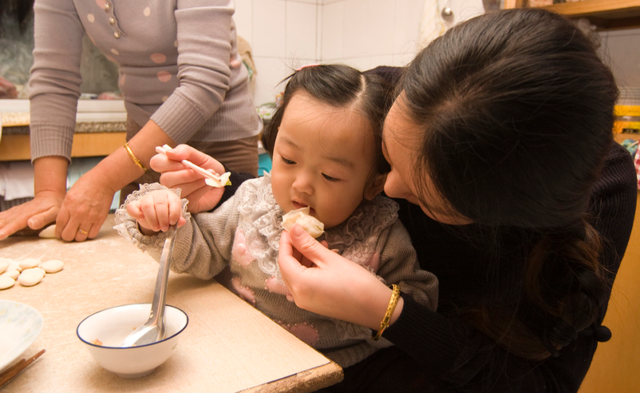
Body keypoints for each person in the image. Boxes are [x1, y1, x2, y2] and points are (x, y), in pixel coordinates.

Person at [149, 9, 638, 392]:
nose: (387, 188)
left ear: (504, 215)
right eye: (386, 154)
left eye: (426, 195)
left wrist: (392, 313)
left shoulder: (595, 195)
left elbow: (542, 384)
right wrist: (230, 187)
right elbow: (310, 179)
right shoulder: (383, 94)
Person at [113, 64, 439, 372]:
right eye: (288, 159)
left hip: (338, 371)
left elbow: (420, 304)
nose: (301, 185)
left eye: (329, 175)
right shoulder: (253, 201)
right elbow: (201, 252)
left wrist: (370, 305)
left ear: (373, 184)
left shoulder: (378, 234)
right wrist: (161, 220)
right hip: (240, 352)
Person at [0, 0, 261, 242]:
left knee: (225, 269)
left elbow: (203, 82)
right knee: (139, 258)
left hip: (219, 143)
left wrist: (104, 180)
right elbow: (53, 79)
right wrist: (48, 193)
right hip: (143, 142)